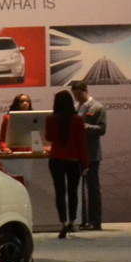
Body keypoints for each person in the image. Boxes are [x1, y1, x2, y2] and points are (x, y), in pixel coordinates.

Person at [44, 89, 89, 239]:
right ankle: (72, 220)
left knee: (59, 192)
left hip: (56, 158)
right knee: (72, 192)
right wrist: (85, 164)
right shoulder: (77, 120)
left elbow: (48, 137)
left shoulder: (51, 119)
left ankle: (62, 222)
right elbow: (82, 144)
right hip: (73, 160)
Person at [71, 80, 108, 228]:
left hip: (91, 154)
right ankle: (82, 220)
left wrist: (84, 127)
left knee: (92, 188)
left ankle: (95, 221)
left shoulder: (98, 108)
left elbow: (102, 129)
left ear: (86, 91)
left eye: (79, 95)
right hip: (76, 153)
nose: (77, 98)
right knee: (78, 190)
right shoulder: (75, 108)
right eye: (75, 95)